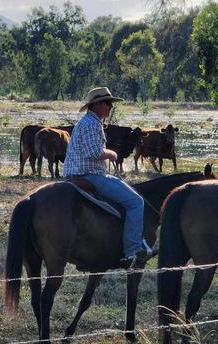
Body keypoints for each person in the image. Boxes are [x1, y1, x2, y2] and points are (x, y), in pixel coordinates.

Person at [64, 87, 152, 269]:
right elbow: (93, 153)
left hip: (79, 173)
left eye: (110, 103)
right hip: (90, 175)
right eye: (107, 103)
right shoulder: (92, 124)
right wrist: (111, 154)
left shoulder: (87, 122)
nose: (110, 107)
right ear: (95, 105)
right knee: (136, 202)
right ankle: (132, 252)